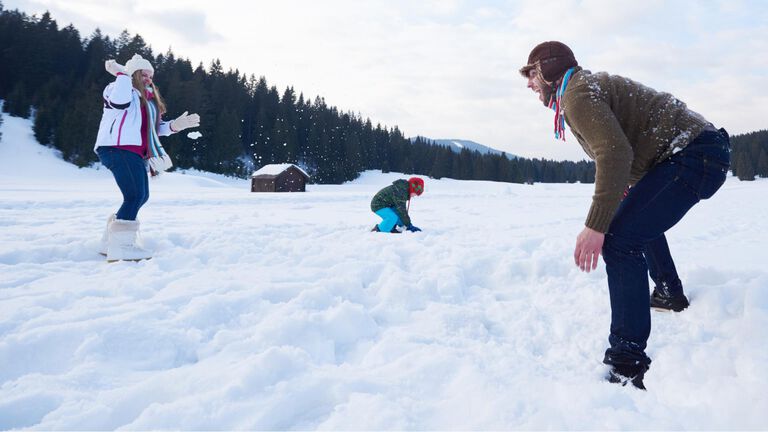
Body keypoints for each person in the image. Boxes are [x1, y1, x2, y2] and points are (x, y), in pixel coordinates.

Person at [520, 41, 730, 389]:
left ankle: (626, 363)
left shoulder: (577, 95)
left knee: (617, 241)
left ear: (548, 69)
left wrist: (595, 226)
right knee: (632, 219)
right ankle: (668, 291)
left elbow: (615, 152)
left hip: (694, 155)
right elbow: (624, 150)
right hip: (699, 151)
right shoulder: (582, 89)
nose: (528, 84)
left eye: (531, 74)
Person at [94, 54, 200, 262]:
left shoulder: (149, 102)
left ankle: (110, 241)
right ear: (132, 73)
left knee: (141, 196)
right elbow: (120, 102)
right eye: (143, 74)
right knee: (134, 195)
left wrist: (175, 126)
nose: (148, 79)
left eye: (151, 75)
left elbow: (153, 129)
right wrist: (122, 74)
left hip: (136, 153)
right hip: (117, 148)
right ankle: (122, 247)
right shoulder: (118, 89)